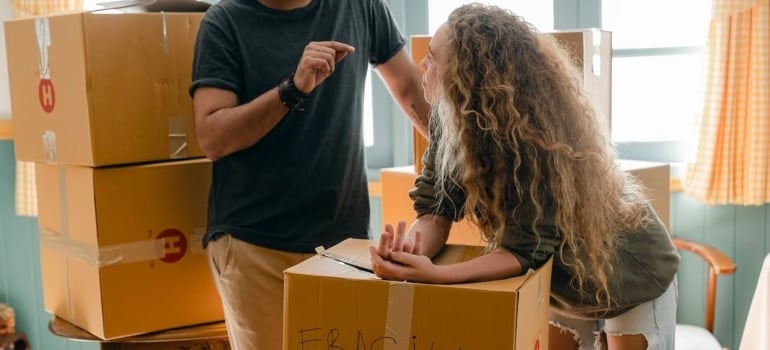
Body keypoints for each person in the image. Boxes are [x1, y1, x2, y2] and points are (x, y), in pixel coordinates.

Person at [368, 4, 680, 350]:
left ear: (468, 76)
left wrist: (437, 274)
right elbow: (435, 210)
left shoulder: (531, 141)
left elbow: (521, 253)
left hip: (629, 274)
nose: (422, 67)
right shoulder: (449, 119)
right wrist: (412, 253)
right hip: (563, 281)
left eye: (432, 58)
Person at [189, 0, 430, 349]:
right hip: (256, 245)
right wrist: (292, 89)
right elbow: (212, 137)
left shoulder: (359, 6)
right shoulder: (224, 21)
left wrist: (467, 160)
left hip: (344, 242)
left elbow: (410, 88)